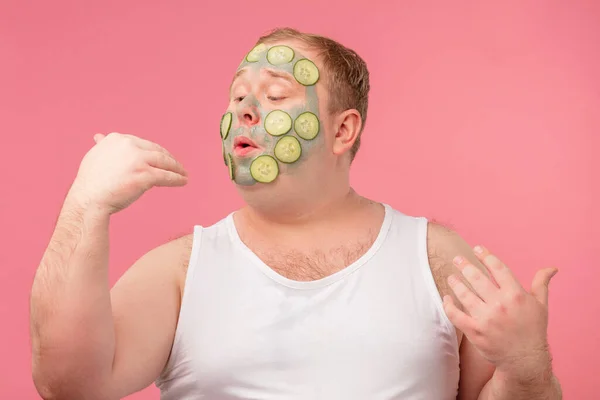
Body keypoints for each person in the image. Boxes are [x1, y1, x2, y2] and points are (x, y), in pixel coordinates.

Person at [30, 28, 562, 400]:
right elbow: (68, 386)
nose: (244, 108)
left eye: (276, 95)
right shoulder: (180, 271)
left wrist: (526, 364)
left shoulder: (436, 257)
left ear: (342, 130)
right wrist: (86, 205)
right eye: (238, 96)